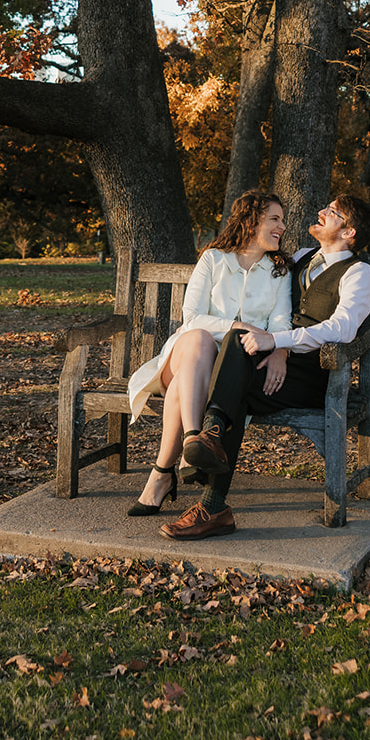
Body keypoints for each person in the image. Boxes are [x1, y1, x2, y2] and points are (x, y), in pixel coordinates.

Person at [160, 191, 370, 540]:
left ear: (348, 232)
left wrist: (279, 344)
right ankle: (212, 447)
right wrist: (275, 347)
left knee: (236, 385)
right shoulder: (303, 258)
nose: (322, 211)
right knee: (236, 342)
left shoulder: (360, 273)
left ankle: (211, 481)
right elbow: (278, 309)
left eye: (333, 212)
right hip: (277, 365)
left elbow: (342, 328)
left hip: (316, 374)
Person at [124, 189, 292, 516]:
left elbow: (282, 323)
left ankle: (162, 476)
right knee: (199, 338)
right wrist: (243, 328)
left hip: (226, 371)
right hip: (186, 354)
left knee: (182, 387)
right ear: (251, 220)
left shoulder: (278, 271)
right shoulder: (213, 259)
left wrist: (280, 350)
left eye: (282, 221)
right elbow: (193, 317)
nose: (282, 227)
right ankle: (192, 444)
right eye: (275, 219)